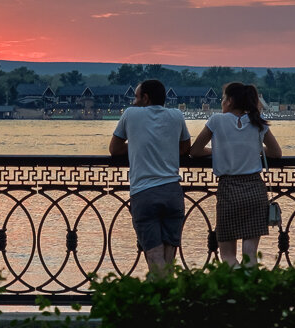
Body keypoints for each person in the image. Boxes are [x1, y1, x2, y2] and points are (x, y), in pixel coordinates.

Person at [189, 82, 282, 267]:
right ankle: (251, 290)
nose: (222, 102)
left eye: (223, 98)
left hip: (229, 190)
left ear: (230, 101)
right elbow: (275, 153)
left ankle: (234, 291)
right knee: (250, 254)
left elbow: (195, 151)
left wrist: (218, 151)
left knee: (228, 256)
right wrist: (252, 149)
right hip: (255, 189)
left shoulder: (216, 121)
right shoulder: (258, 122)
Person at [108, 79, 192, 275]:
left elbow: (115, 149)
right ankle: (168, 300)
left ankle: (159, 302)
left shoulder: (130, 114)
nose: (133, 102)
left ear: (145, 98)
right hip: (172, 191)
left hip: (144, 193)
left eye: (136, 97)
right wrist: (164, 147)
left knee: (154, 257)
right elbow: (185, 147)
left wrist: (137, 145)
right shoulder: (176, 115)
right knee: (168, 259)